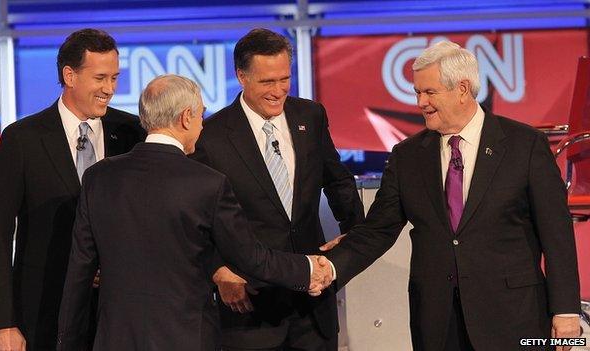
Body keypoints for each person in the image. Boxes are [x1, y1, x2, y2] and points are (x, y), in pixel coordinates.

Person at [321, 40, 581, 351]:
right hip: (437, 319)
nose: (420, 102)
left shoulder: (525, 146)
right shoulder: (408, 156)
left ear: (462, 89)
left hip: (513, 316)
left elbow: (556, 233)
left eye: (429, 92)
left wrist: (565, 311)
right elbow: (379, 229)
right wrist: (329, 267)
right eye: (417, 92)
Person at [55, 74, 333, 351]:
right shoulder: (207, 183)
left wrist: (66, 343)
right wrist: (307, 268)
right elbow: (251, 257)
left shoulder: (98, 178)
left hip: (116, 339)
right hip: (187, 338)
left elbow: (79, 272)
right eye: (201, 115)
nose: (202, 125)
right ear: (186, 117)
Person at [190, 28, 364, 350]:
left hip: (313, 303)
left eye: (284, 79)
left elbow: (336, 179)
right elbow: (197, 218)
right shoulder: (211, 136)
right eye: (267, 82)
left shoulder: (310, 115)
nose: (278, 91)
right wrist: (218, 269)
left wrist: (354, 234)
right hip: (250, 304)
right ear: (241, 76)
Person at [0, 28, 146, 351]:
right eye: (100, 78)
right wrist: (4, 322)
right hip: (44, 310)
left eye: (114, 78)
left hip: (120, 313)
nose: (109, 89)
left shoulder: (131, 133)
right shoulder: (23, 139)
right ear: (70, 75)